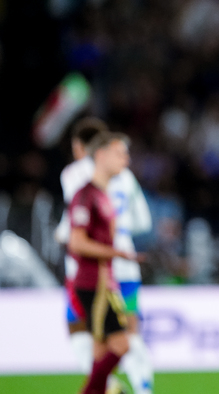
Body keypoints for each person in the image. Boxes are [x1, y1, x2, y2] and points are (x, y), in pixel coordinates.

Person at [56, 118, 154, 394]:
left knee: (83, 332)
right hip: (121, 270)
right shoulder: (125, 178)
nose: (126, 159)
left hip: (89, 271)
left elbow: (71, 229)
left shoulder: (74, 175)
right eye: (121, 152)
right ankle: (140, 386)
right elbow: (143, 222)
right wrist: (118, 238)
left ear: (79, 147)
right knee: (128, 334)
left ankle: (105, 385)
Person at [68, 132, 134, 394]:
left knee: (101, 351)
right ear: (101, 155)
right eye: (120, 153)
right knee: (121, 345)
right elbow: (77, 242)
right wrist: (115, 254)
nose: (125, 160)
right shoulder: (86, 196)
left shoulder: (104, 196)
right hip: (93, 283)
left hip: (105, 280)